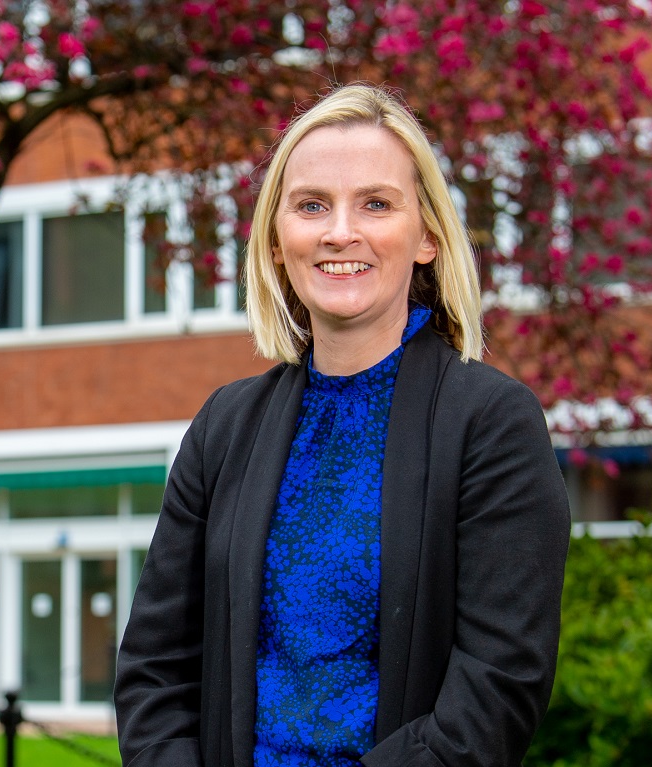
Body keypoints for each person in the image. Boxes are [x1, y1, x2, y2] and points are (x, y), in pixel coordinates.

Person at [113, 84, 570, 767]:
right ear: (276, 240)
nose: (339, 232)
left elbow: (496, 691)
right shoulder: (224, 427)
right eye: (312, 205)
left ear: (427, 238)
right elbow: (155, 668)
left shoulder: (490, 424)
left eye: (376, 204)